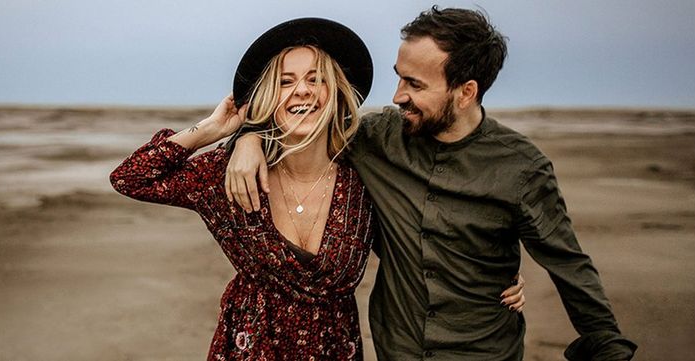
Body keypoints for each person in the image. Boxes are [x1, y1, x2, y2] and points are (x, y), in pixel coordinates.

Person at [226, 7, 637, 361]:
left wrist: (607, 348)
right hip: (397, 349)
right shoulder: (374, 139)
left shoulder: (522, 169)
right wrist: (249, 138)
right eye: (400, 77)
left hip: (484, 352)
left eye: (415, 85)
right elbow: (304, 127)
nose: (398, 95)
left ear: (465, 93)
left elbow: (571, 267)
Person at [109, 17, 527, 360]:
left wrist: (491, 277)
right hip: (247, 350)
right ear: (269, 95)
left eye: (316, 79)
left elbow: (421, 239)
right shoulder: (229, 174)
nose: (302, 90)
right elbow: (130, 178)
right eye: (286, 81)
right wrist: (218, 132)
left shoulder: (366, 170)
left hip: (336, 351)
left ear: (336, 92)